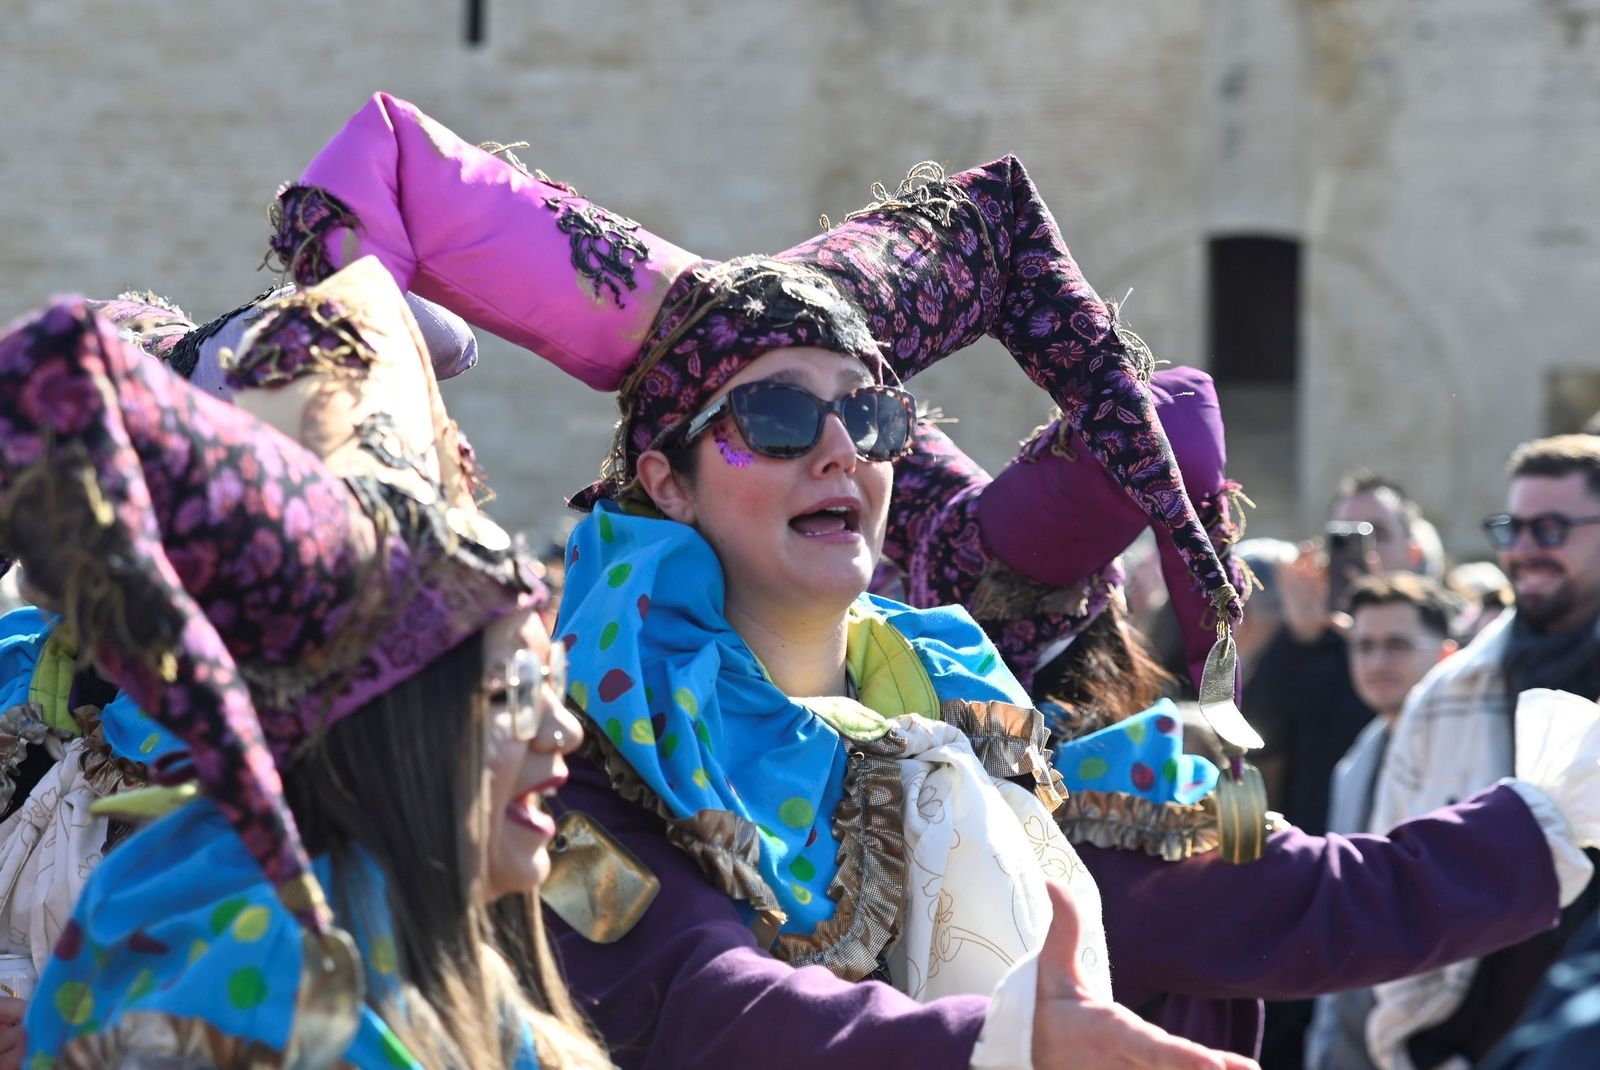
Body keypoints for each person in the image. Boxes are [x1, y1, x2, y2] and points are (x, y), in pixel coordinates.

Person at [270, 92, 1260, 1069]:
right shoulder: (602, 743)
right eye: (778, 419)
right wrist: (1002, 1044)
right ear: (668, 480)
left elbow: (1242, 911)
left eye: (869, 415)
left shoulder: (962, 711)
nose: (840, 450)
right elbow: (697, 1001)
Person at [875, 365, 1600, 1060]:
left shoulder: (881, 789)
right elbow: (1330, 904)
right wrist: (1539, 822)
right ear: (1104, 632)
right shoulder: (1104, 809)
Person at [0, 258, 602, 1067]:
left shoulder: (457, 975)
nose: (562, 730)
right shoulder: (251, 997)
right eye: (510, 689)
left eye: (547, 679)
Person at [1365, 434, 1600, 1069]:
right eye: (1511, 528)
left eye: (1550, 529)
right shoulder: (1448, 694)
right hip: (1464, 1047)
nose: (1523, 550)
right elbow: (1394, 876)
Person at [1303, 572, 1459, 1070]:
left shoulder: (1477, 758)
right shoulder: (1354, 764)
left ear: (1446, 656)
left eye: (1397, 645)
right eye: (1364, 646)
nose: (1377, 662)